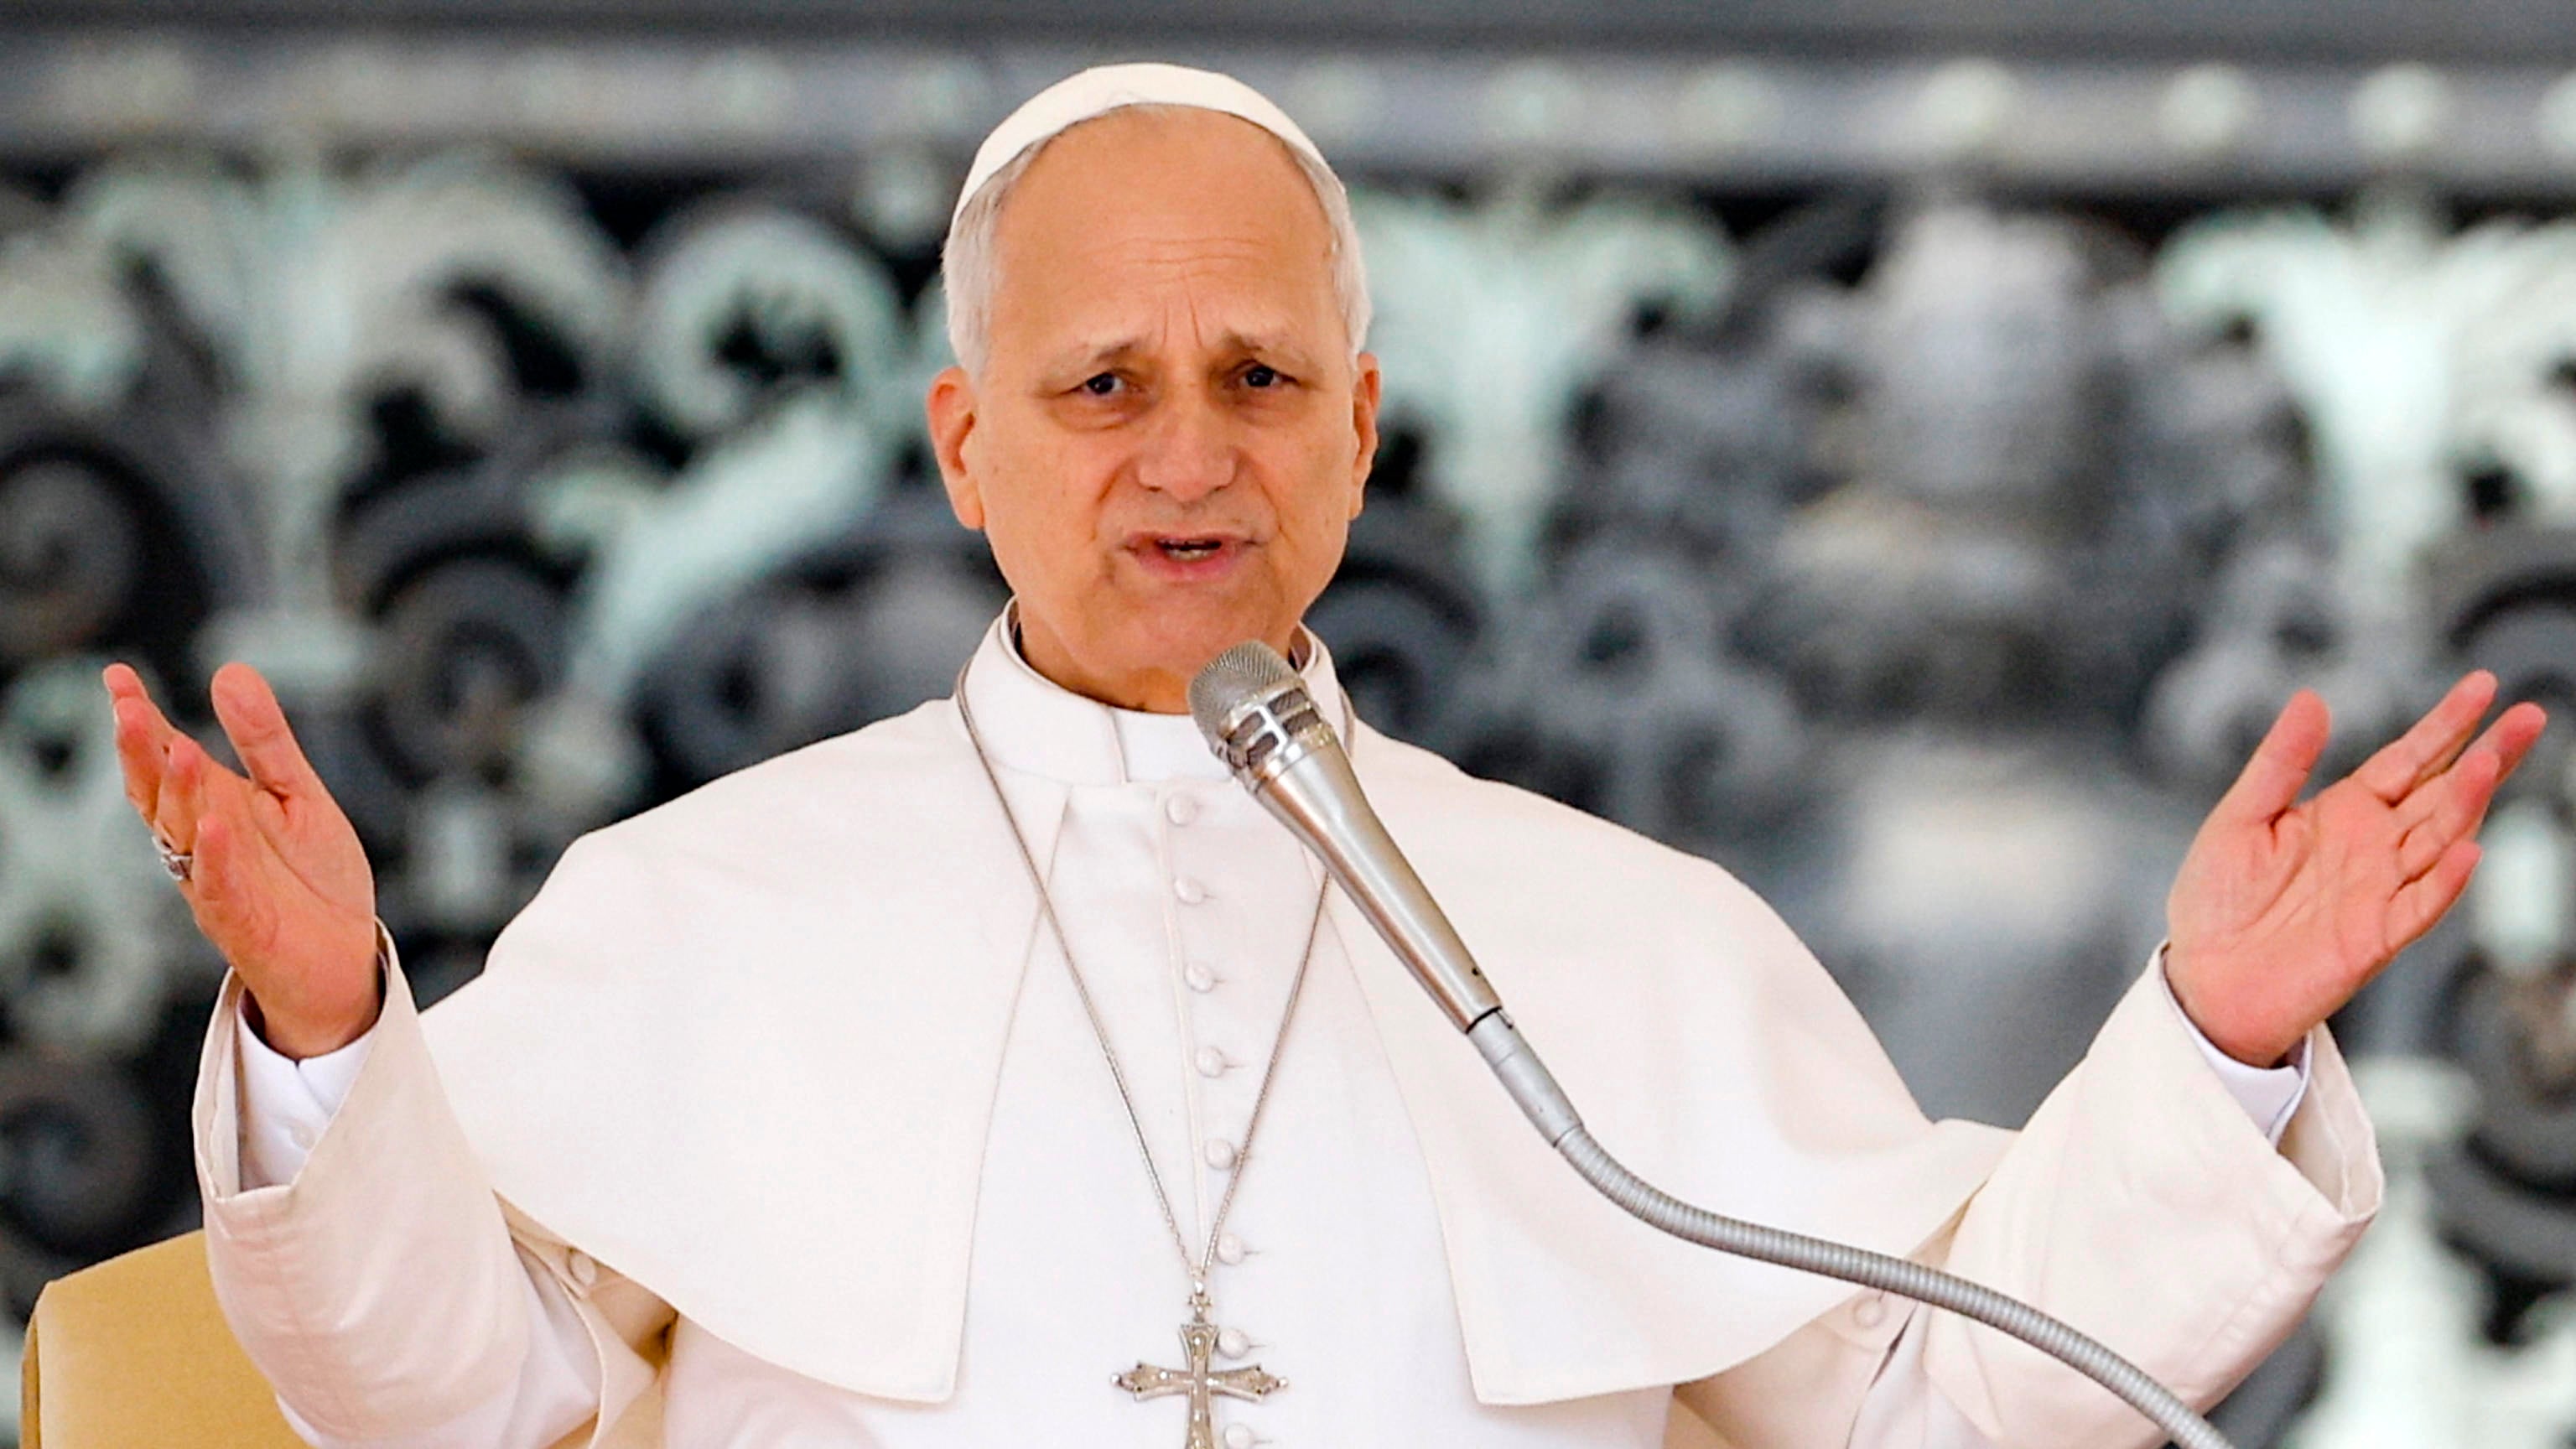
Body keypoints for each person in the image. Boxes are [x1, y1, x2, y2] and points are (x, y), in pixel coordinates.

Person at [107, 63, 2542, 1449]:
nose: (1192, 457)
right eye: (1104, 388)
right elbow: (445, 1405)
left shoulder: (1612, 933)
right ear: (965, 446)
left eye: (1261, 382)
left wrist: (2209, 1041)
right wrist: (334, 1039)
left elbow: (1936, 1419)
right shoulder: (704, 907)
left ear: (1361, 435)